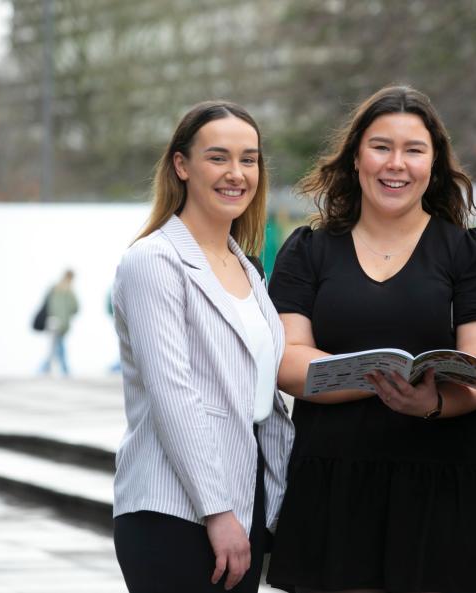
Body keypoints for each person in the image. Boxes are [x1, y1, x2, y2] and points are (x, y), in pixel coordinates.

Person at [266, 85, 476, 593]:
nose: (395, 164)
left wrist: (429, 402)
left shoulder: (471, 253)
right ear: (356, 156)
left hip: (441, 486)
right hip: (333, 481)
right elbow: (287, 361)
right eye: (381, 146)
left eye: (414, 150)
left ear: (435, 164)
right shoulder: (307, 250)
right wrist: (383, 379)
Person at [111, 100, 294, 593]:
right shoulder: (154, 261)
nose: (237, 173)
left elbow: (263, 395)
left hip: (245, 495)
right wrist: (218, 511)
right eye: (218, 157)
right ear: (181, 165)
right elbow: (174, 394)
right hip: (175, 505)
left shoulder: (247, 268)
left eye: (249, 159)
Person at [39, 269, 79, 376]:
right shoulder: (69, 292)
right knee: (58, 347)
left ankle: (45, 368)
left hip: (52, 322)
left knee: (53, 347)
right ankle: (62, 369)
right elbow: (75, 308)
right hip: (61, 324)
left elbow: (47, 304)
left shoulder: (54, 288)